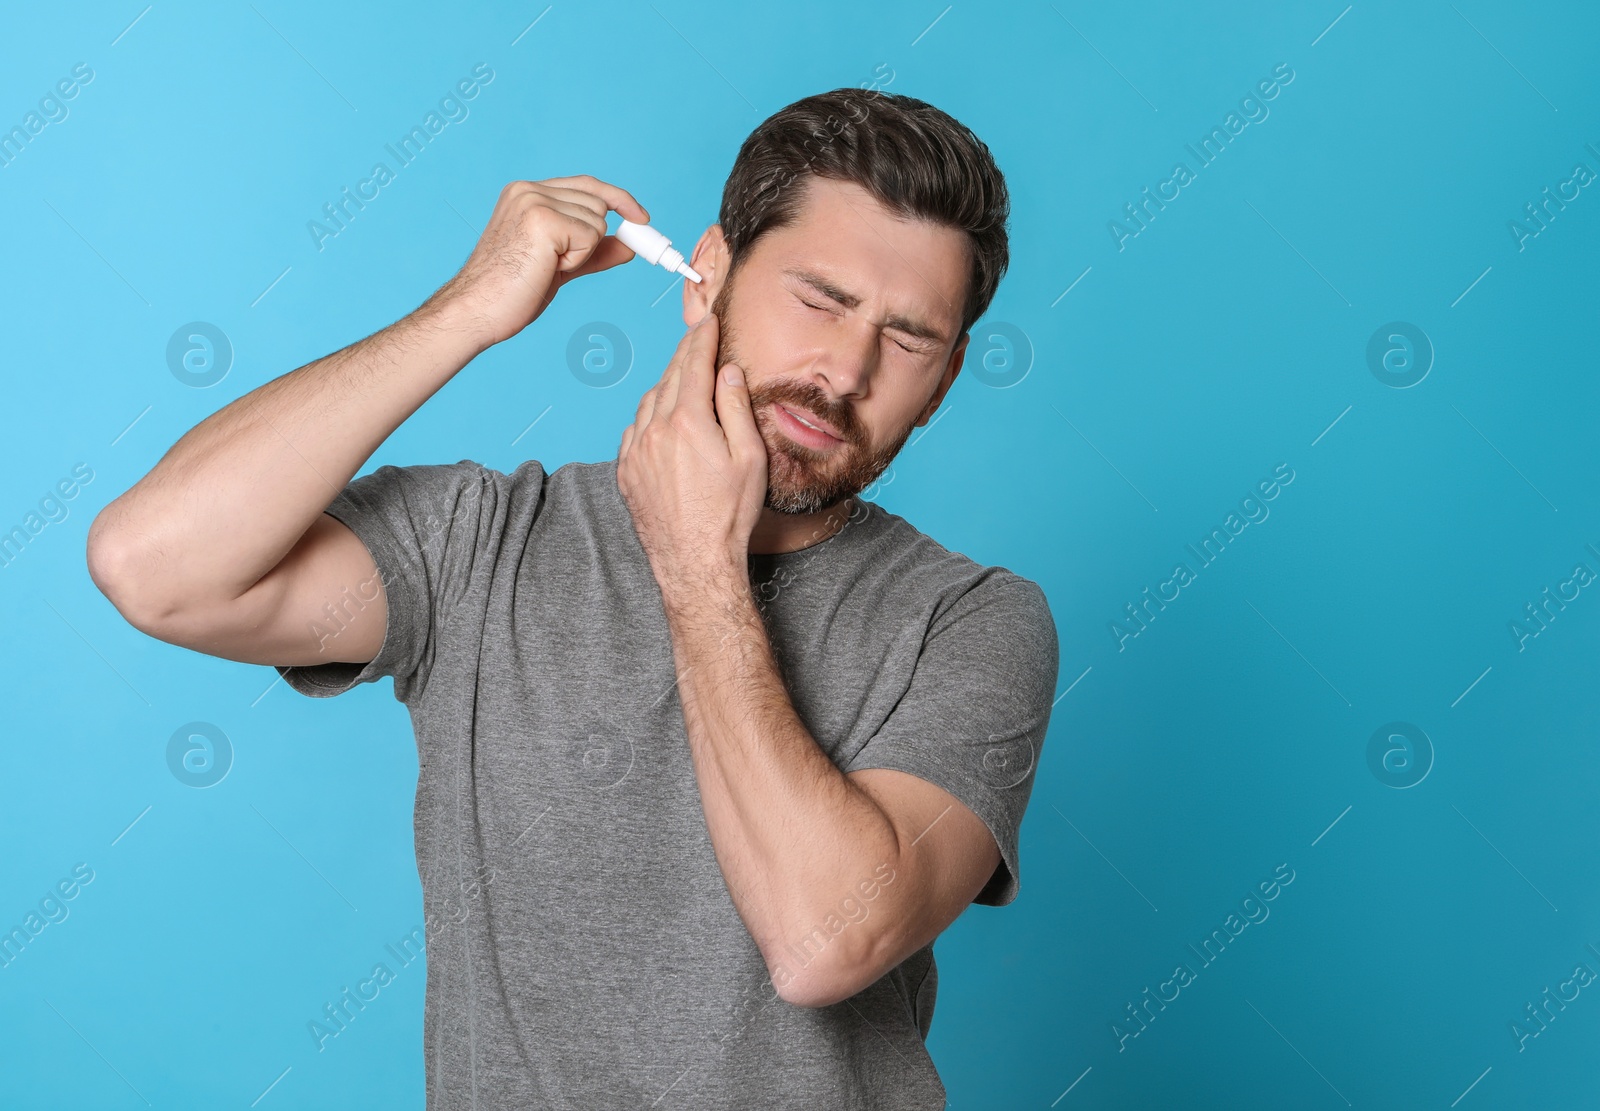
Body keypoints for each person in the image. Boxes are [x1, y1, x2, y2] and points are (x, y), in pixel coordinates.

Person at [86, 87, 1059, 1110]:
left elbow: (824, 941)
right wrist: (465, 310)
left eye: (907, 341)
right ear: (709, 275)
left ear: (944, 382)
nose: (845, 370)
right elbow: (153, 565)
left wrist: (697, 562)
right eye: (818, 298)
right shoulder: (485, 543)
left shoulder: (972, 622)